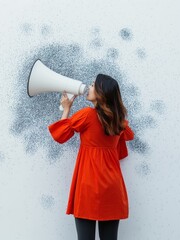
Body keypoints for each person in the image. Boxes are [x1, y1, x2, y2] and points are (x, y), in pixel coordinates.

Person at [48, 74, 134, 240]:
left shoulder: (87, 115)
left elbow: (60, 135)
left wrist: (66, 109)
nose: (89, 87)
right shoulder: (119, 121)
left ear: (101, 93)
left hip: (87, 185)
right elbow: (121, 153)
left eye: (93, 85)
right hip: (113, 187)